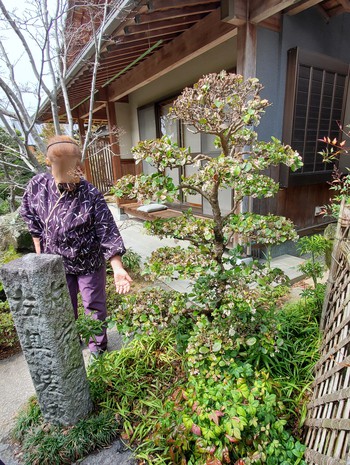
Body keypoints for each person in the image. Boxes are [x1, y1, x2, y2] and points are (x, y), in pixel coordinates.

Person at [20, 135, 132, 356]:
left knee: (94, 306)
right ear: (49, 163)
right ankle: (70, 346)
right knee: (62, 307)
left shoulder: (90, 194)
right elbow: (30, 216)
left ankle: (98, 348)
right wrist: (39, 250)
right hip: (55, 262)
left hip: (88, 261)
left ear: (79, 164)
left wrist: (117, 267)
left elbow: (106, 229)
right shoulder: (37, 186)